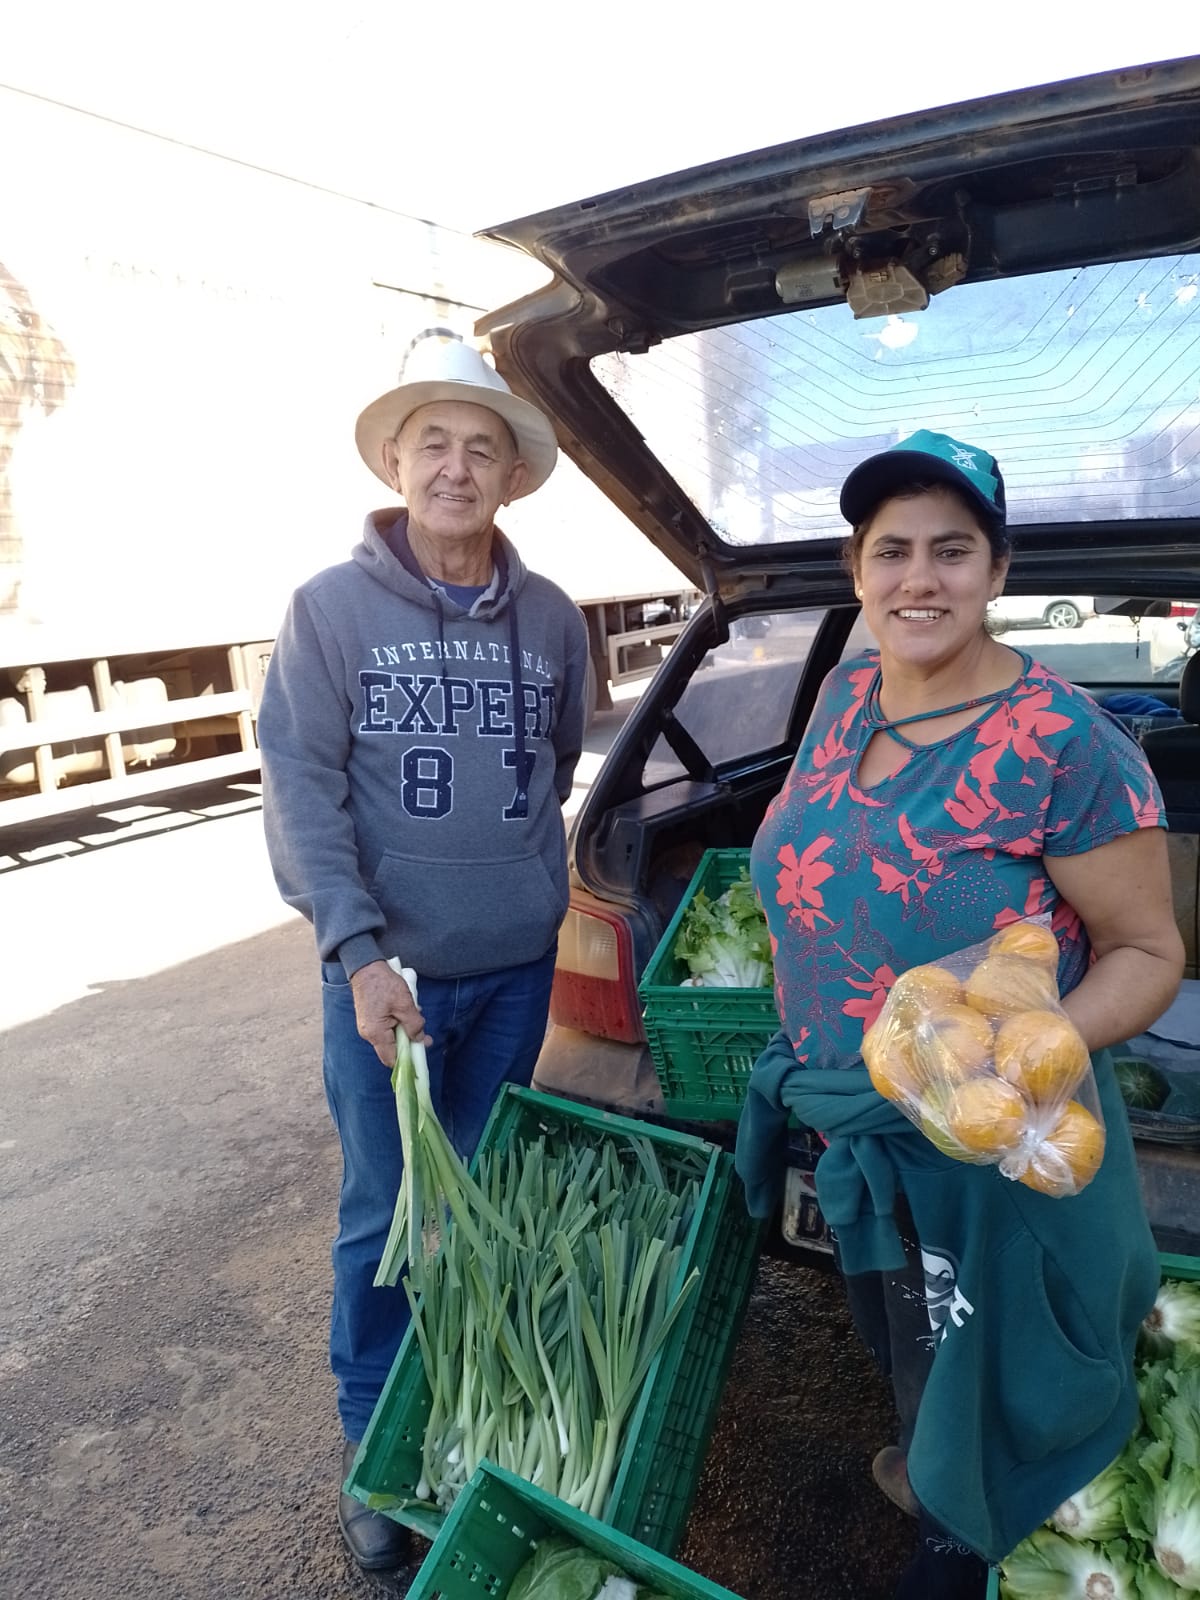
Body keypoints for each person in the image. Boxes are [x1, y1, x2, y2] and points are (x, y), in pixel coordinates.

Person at [735, 430, 1184, 1598]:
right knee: (905, 1335)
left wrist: (1052, 1041)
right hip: (859, 1120)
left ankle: (959, 1534)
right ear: (857, 568)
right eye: (892, 551)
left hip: (993, 1139)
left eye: (951, 549)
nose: (918, 577)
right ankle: (933, 1467)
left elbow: (1147, 950)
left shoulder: (1066, 743)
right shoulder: (844, 697)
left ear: (996, 570)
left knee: (1002, 1364)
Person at [257, 335, 590, 1572]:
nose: (456, 468)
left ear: (512, 474)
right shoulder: (328, 611)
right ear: (397, 461)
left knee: (485, 1192)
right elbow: (300, 788)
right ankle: (372, 1446)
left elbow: (553, 762)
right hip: (389, 973)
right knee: (388, 1208)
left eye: (481, 447)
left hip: (515, 966)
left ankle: (465, 1408)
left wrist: (531, 896)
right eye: (433, 444)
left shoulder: (553, 620)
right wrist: (356, 950)